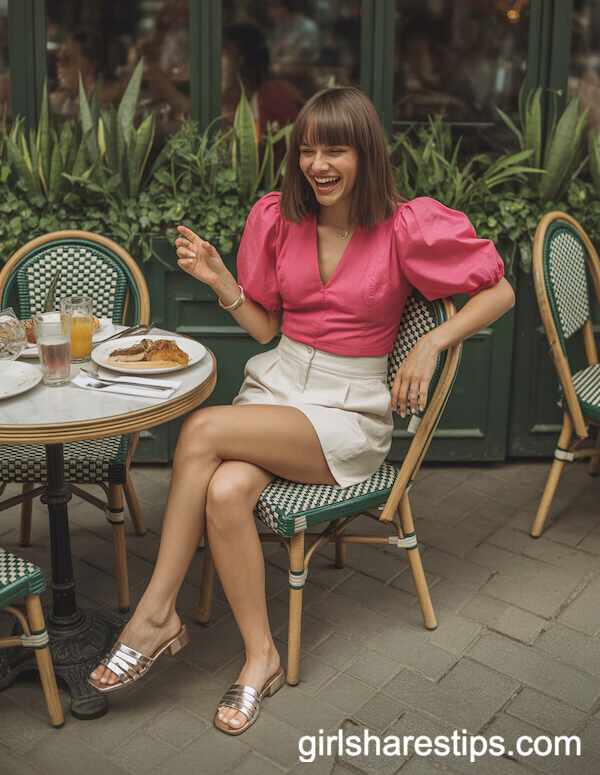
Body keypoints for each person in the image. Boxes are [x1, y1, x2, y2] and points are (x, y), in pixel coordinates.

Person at [88, 86, 515, 733]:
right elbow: (264, 332)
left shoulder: (406, 225)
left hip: (348, 410)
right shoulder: (278, 218)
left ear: (364, 154)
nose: (318, 164)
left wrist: (432, 340)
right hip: (277, 386)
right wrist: (218, 281)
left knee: (201, 428)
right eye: (308, 149)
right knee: (227, 490)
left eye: (335, 149)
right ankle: (259, 657)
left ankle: (156, 615)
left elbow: (502, 290)